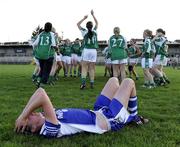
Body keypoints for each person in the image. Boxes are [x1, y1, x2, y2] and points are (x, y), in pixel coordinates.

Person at [15, 77, 148, 138]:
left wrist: (24, 115)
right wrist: (23, 116)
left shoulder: (46, 116)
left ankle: (127, 112)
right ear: (33, 129)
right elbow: (41, 93)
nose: (30, 113)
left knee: (113, 80)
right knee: (128, 82)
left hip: (98, 111)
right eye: (29, 119)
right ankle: (134, 117)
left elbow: (38, 94)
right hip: (110, 119)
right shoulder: (49, 129)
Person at [77, 10, 98, 89]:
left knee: (84, 67)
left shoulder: (84, 32)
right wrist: (93, 15)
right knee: (92, 68)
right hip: (94, 51)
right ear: (92, 26)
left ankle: (83, 84)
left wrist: (84, 18)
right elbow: (97, 23)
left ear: (86, 26)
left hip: (86, 50)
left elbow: (78, 24)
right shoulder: (95, 31)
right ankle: (92, 84)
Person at [32, 22, 57, 87]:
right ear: (51, 28)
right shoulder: (51, 34)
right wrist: (56, 48)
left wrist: (35, 51)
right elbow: (53, 45)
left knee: (42, 69)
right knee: (47, 70)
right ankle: (42, 85)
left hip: (40, 55)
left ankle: (38, 81)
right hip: (48, 55)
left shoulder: (41, 34)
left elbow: (34, 44)